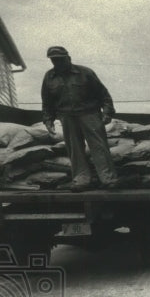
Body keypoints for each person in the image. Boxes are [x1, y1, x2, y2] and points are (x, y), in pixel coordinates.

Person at [40, 46, 119, 191]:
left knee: (99, 147)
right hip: (66, 116)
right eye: (54, 60)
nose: (57, 63)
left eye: (60, 59)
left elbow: (103, 94)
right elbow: (47, 102)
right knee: (74, 150)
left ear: (68, 58)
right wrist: (48, 120)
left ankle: (109, 180)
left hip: (90, 114)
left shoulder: (85, 73)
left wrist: (107, 112)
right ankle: (81, 181)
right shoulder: (49, 77)